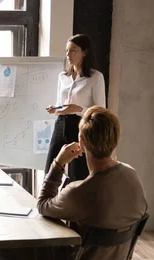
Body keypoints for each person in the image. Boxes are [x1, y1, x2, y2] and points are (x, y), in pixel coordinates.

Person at [0, 106, 147, 260]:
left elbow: (43, 205)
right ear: (115, 139)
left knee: (6, 247)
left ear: (81, 141)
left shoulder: (80, 192)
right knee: (87, 225)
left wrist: (58, 163)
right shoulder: (131, 174)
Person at [45, 34, 106, 184]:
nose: (68, 55)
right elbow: (61, 103)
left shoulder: (95, 77)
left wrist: (77, 108)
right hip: (61, 124)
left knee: (77, 173)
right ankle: (50, 204)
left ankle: (73, 204)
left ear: (84, 52)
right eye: (67, 51)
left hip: (80, 126)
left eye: (73, 51)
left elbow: (100, 110)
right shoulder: (63, 76)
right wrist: (56, 108)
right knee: (51, 168)